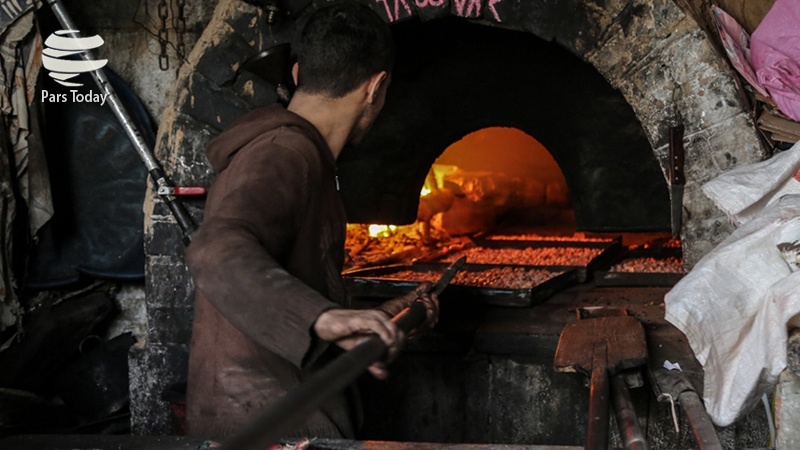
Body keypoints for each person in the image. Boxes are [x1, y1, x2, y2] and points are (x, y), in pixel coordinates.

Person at [184, 0, 440, 441]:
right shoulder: (286, 154)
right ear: (376, 87)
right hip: (272, 427)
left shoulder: (299, 153)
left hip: (280, 415)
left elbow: (284, 286)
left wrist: (375, 317)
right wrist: (323, 319)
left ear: (298, 73)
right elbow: (214, 250)